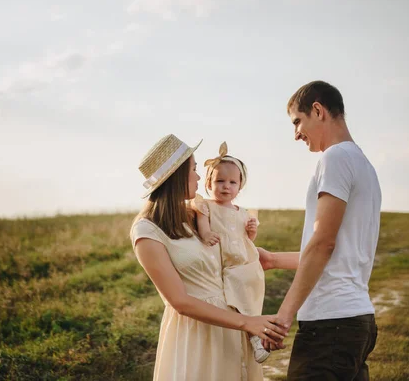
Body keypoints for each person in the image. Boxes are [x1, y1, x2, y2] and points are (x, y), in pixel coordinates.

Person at [130, 134, 286, 381]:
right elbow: (179, 301)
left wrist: (326, 255)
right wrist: (247, 322)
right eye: (193, 169)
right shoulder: (146, 231)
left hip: (232, 326)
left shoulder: (198, 216)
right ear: (177, 175)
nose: (200, 176)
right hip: (196, 332)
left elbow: (248, 258)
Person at [265, 81, 382, 380]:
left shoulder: (335, 158)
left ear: (317, 110)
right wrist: (273, 260)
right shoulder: (363, 164)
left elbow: (323, 244)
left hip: (331, 325)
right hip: (357, 320)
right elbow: (339, 250)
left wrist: (284, 316)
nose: (296, 135)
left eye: (297, 122)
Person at [190, 141, 270, 363]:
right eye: (219, 181)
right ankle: (256, 336)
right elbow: (204, 227)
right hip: (225, 265)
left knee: (250, 295)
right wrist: (206, 235)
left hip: (245, 264)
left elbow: (245, 241)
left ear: (240, 185)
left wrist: (251, 233)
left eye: (232, 182)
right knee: (237, 294)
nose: (226, 186)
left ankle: (257, 331)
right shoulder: (206, 207)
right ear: (208, 183)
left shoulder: (243, 212)